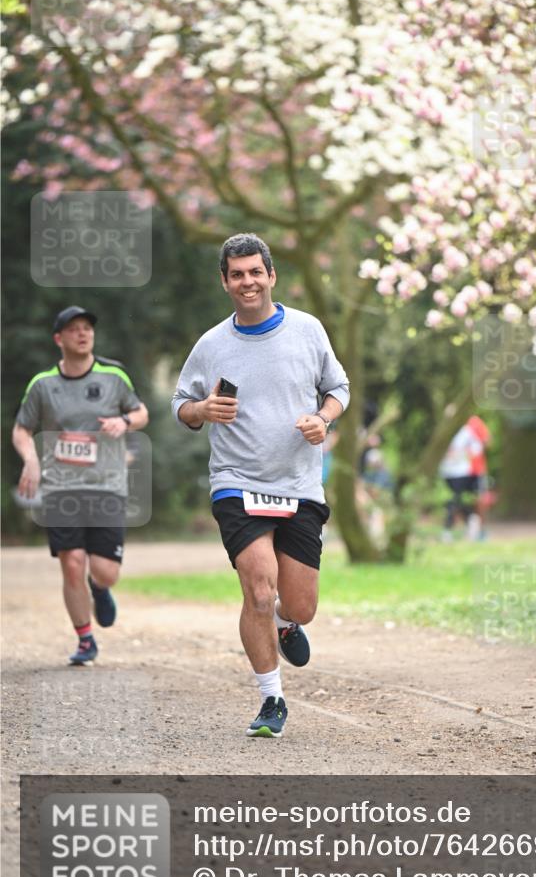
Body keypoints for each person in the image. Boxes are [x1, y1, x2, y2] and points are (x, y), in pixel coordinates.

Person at [172, 233, 349, 739]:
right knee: (257, 584)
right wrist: (201, 410)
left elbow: (337, 388)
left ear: (271, 276)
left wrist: (323, 418)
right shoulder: (211, 345)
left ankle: (286, 623)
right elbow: (180, 405)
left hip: (298, 484)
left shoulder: (307, 330)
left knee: (299, 606)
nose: (247, 281)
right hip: (237, 481)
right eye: (236, 274)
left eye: (255, 271)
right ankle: (271, 698)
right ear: (225, 281)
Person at [12, 306, 149, 665]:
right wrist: (31, 459)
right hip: (61, 488)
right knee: (72, 562)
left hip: (106, 486)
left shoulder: (114, 376)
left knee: (105, 571)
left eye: (87, 327)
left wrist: (124, 422)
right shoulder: (42, 385)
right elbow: (22, 429)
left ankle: (100, 587)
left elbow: (141, 413)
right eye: (74, 329)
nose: (83, 333)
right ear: (59, 339)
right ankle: (85, 639)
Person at [439, 415, 491, 541]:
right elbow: (484, 444)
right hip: (460, 473)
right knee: (457, 501)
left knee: (464, 500)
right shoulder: (470, 433)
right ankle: (450, 530)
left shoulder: (467, 433)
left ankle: (472, 526)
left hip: (461, 473)